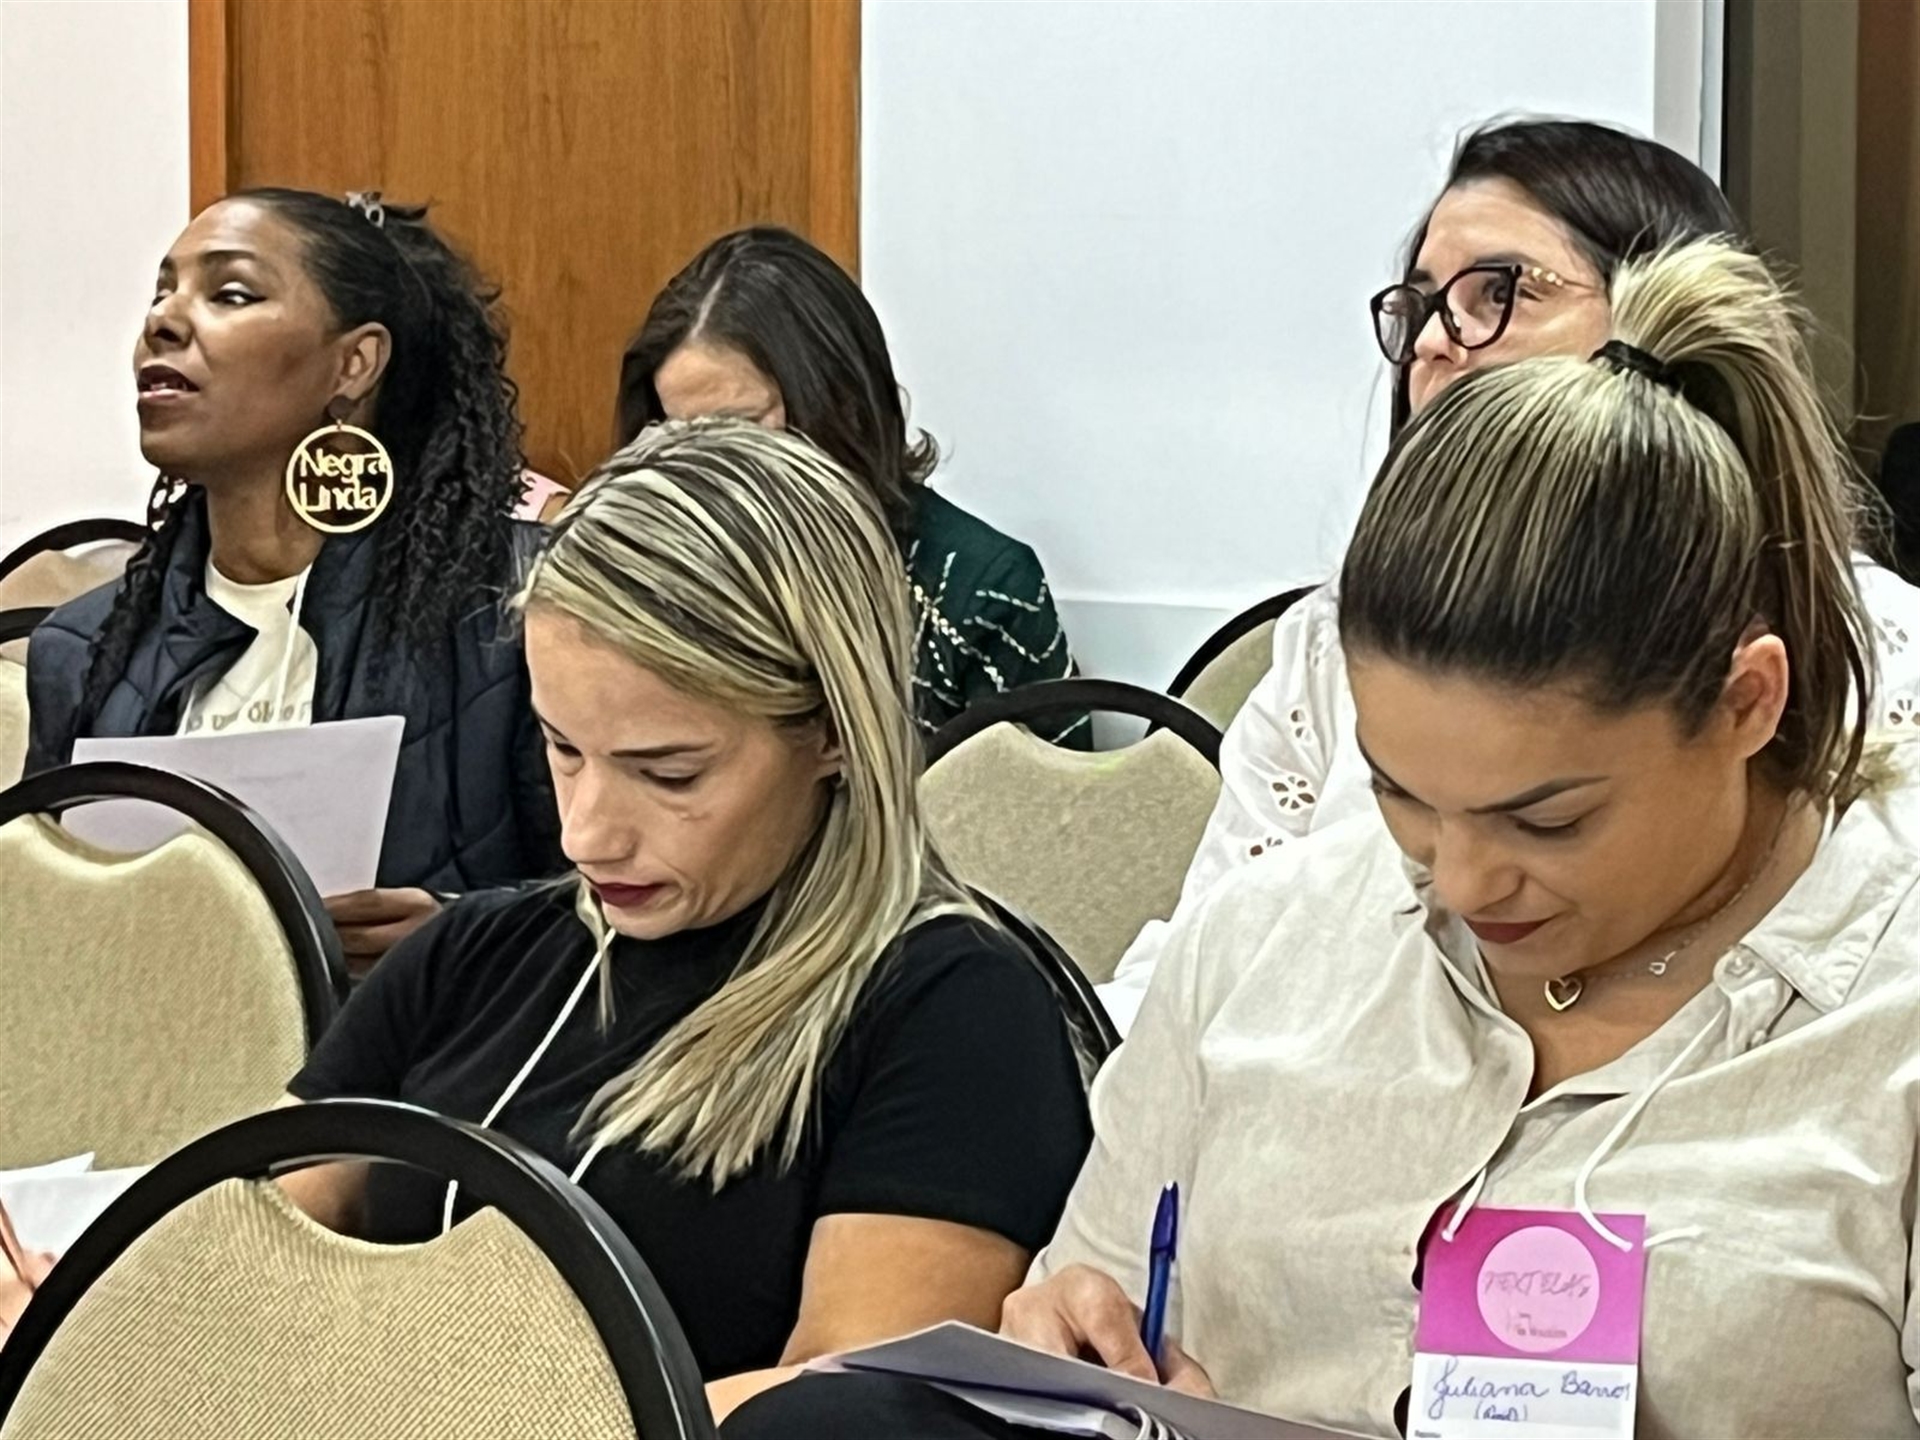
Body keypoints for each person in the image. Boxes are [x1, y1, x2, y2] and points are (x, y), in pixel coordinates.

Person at [721, 239, 1920, 1439]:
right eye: (1402, 796)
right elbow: (1085, 1311)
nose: (1462, 881)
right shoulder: (1263, 944)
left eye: (1545, 818)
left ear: (1746, 704)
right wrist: (1064, 1346)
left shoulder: (1884, 1016)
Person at [277, 420, 1094, 1418]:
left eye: (668, 773)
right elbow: (230, 1258)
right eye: (562, 748)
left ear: (834, 732)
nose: (585, 834)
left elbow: (836, 1407)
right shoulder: (466, 958)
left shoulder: (954, 1011)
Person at [1099, 116, 1920, 1031]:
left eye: (1501, 292)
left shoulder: (1893, 660)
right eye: (1420, 307)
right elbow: (1194, 972)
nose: (1434, 342)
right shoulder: (1329, 644)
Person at [24, 188, 561, 963]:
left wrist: (461, 937)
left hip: (432, 1036)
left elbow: (637, 899)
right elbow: (40, 933)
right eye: (162, 291)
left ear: (353, 364)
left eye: (231, 293)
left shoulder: (522, 606)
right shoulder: (80, 650)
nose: (163, 321)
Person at [614, 226, 1087, 746]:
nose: (709, 466)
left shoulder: (981, 589)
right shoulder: (650, 575)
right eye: (681, 436)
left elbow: (1050, 798)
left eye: (741, 428)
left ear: (839, 400)